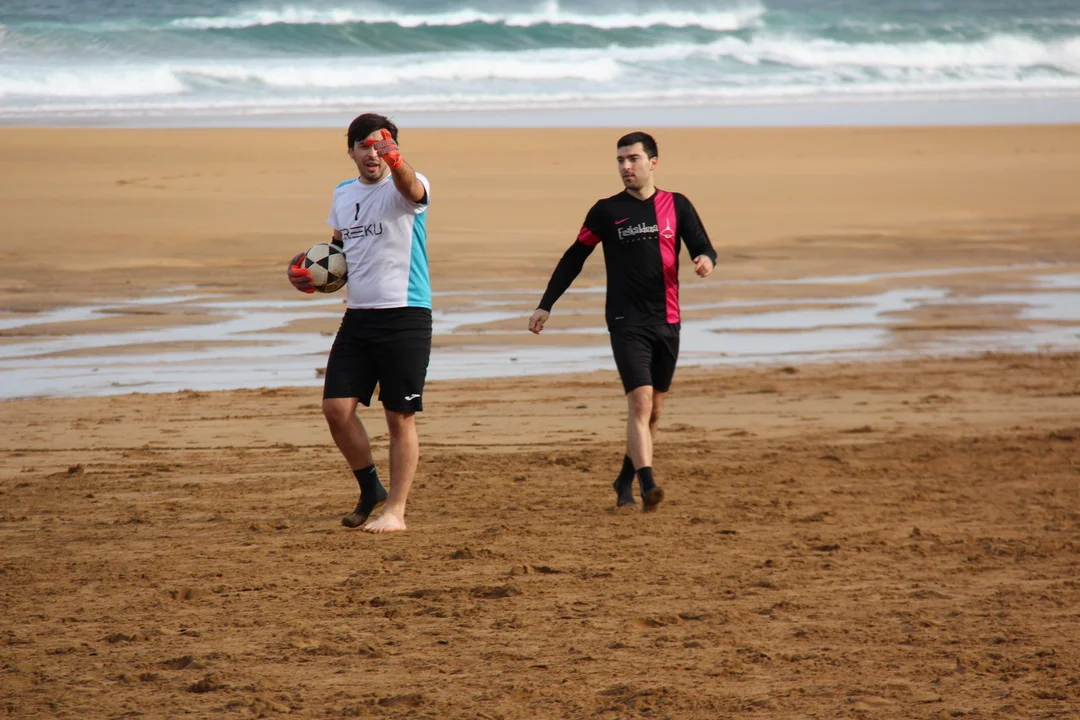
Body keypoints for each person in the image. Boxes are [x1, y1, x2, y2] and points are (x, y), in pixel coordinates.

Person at [528, 131, 717, 512]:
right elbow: (574, 257)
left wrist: (705, 261)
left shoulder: (676, 205)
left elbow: (703, 247)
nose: (626, 167)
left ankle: (624, 480)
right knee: (640, 402)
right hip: (625, 320)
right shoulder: (607, 211)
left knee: (655, 410)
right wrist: (546, 304)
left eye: (633, 159)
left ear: (653, 162)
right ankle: (648, 484)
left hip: (668, 318)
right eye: (620, 160)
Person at [286, 113, 431, 534]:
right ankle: (371, 489)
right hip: (358, 317)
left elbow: (412, 188)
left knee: (399, 416)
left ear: (393, 149)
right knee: (336, 409)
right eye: (364, 146)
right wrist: (309, 276)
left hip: (406, 314)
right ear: (350, 150)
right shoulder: (343, 193)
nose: (373, 154)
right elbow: (338, 254)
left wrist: (397, 160)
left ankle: (396, 511)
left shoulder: (406, 184)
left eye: (380, 146)